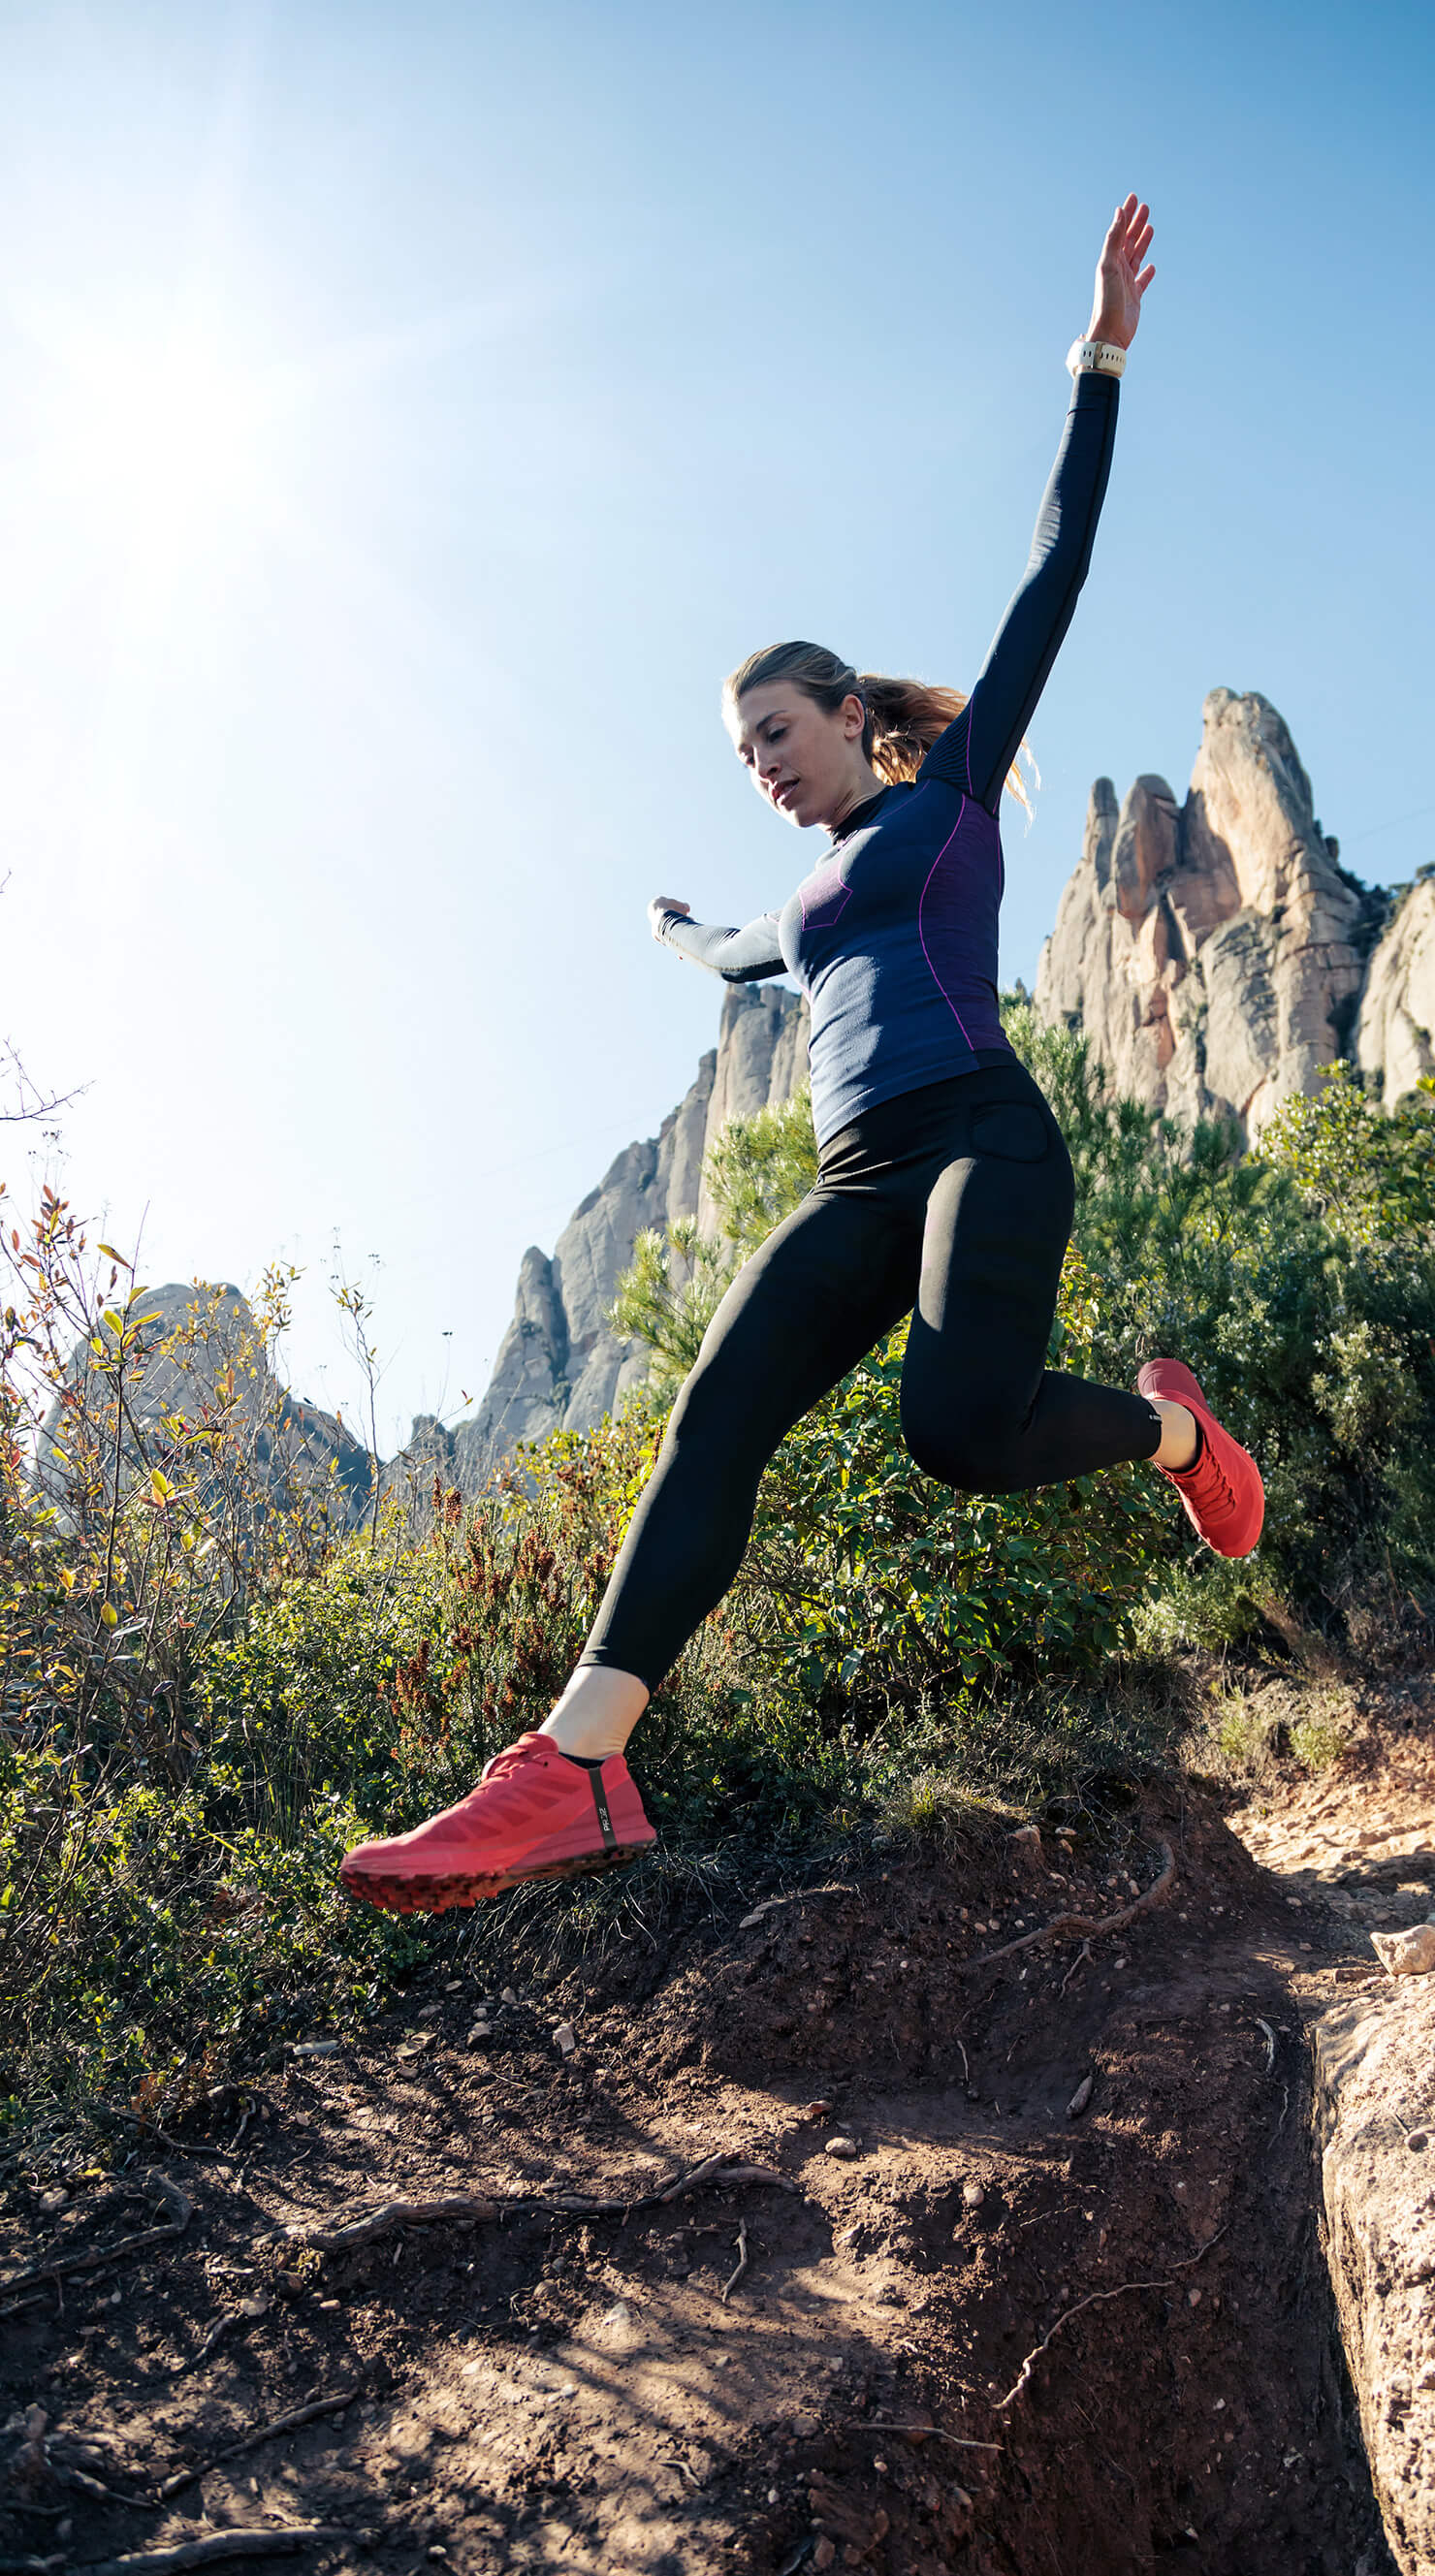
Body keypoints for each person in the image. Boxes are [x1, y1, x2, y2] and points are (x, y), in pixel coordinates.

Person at [340, 193, 1262, 1919]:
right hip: (853, 1182)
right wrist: (676, 929)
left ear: (850, 712)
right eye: (742, 749)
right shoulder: (806, 899)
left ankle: (1171, 1437)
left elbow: (1055, 563)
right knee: (711, 1413)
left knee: (956, 1428)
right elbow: (738, 955)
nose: (762, 761)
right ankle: (580, 1761)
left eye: (777, 730)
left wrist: (1100, 359)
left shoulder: (954, 797)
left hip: (983, 1133)